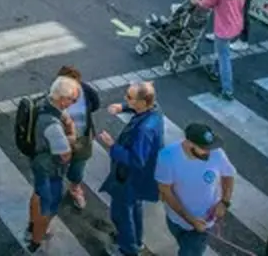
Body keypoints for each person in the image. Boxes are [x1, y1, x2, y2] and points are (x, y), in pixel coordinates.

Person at [98, 81, 164, 256]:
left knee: (121, 213)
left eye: (129, 97)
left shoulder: (145, 130)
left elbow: (136, 160)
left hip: (129, 177)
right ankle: (136, 241)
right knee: (134, 208)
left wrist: (113, 146)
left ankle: (127, 248)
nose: (125, 98)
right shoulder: (154, 110)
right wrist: (123, 107)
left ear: (142, 102)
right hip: (141, 178)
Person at [155, 123, 235, 256]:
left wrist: (224, 202)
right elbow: (165, 191)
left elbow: (229, 175)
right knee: (184, 245)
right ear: (189, 143)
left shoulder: (217, 153)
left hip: (204, 223)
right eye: (204, 148)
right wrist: (190, 219)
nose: (209, 152)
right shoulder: (167, 156)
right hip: (176, 219)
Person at [25, 76, 77, 251]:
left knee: (37, 195)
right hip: (50, 169)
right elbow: (65, 156)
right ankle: (36, 241)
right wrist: (72, 133)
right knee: (47, 208)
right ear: (62, 99)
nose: (74, 102)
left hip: (37, 161)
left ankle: (31, 226)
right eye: (72, 99)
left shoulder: (43, 101)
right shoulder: (53, 126)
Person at [191, 0, 249, 101]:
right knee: (222, 51)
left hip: (224, 26)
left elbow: (207, 4)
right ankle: (215, 71)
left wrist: (196, 1)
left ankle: (227, 90)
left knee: (224, 57)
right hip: (237, 22)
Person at [55, 66, 101, 211]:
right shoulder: (53, 95)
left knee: (78, 169)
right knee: (56, 168)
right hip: (61, 140)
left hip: (82, 138)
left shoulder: (86, 91)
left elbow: (95, 104)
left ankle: (75, 188)